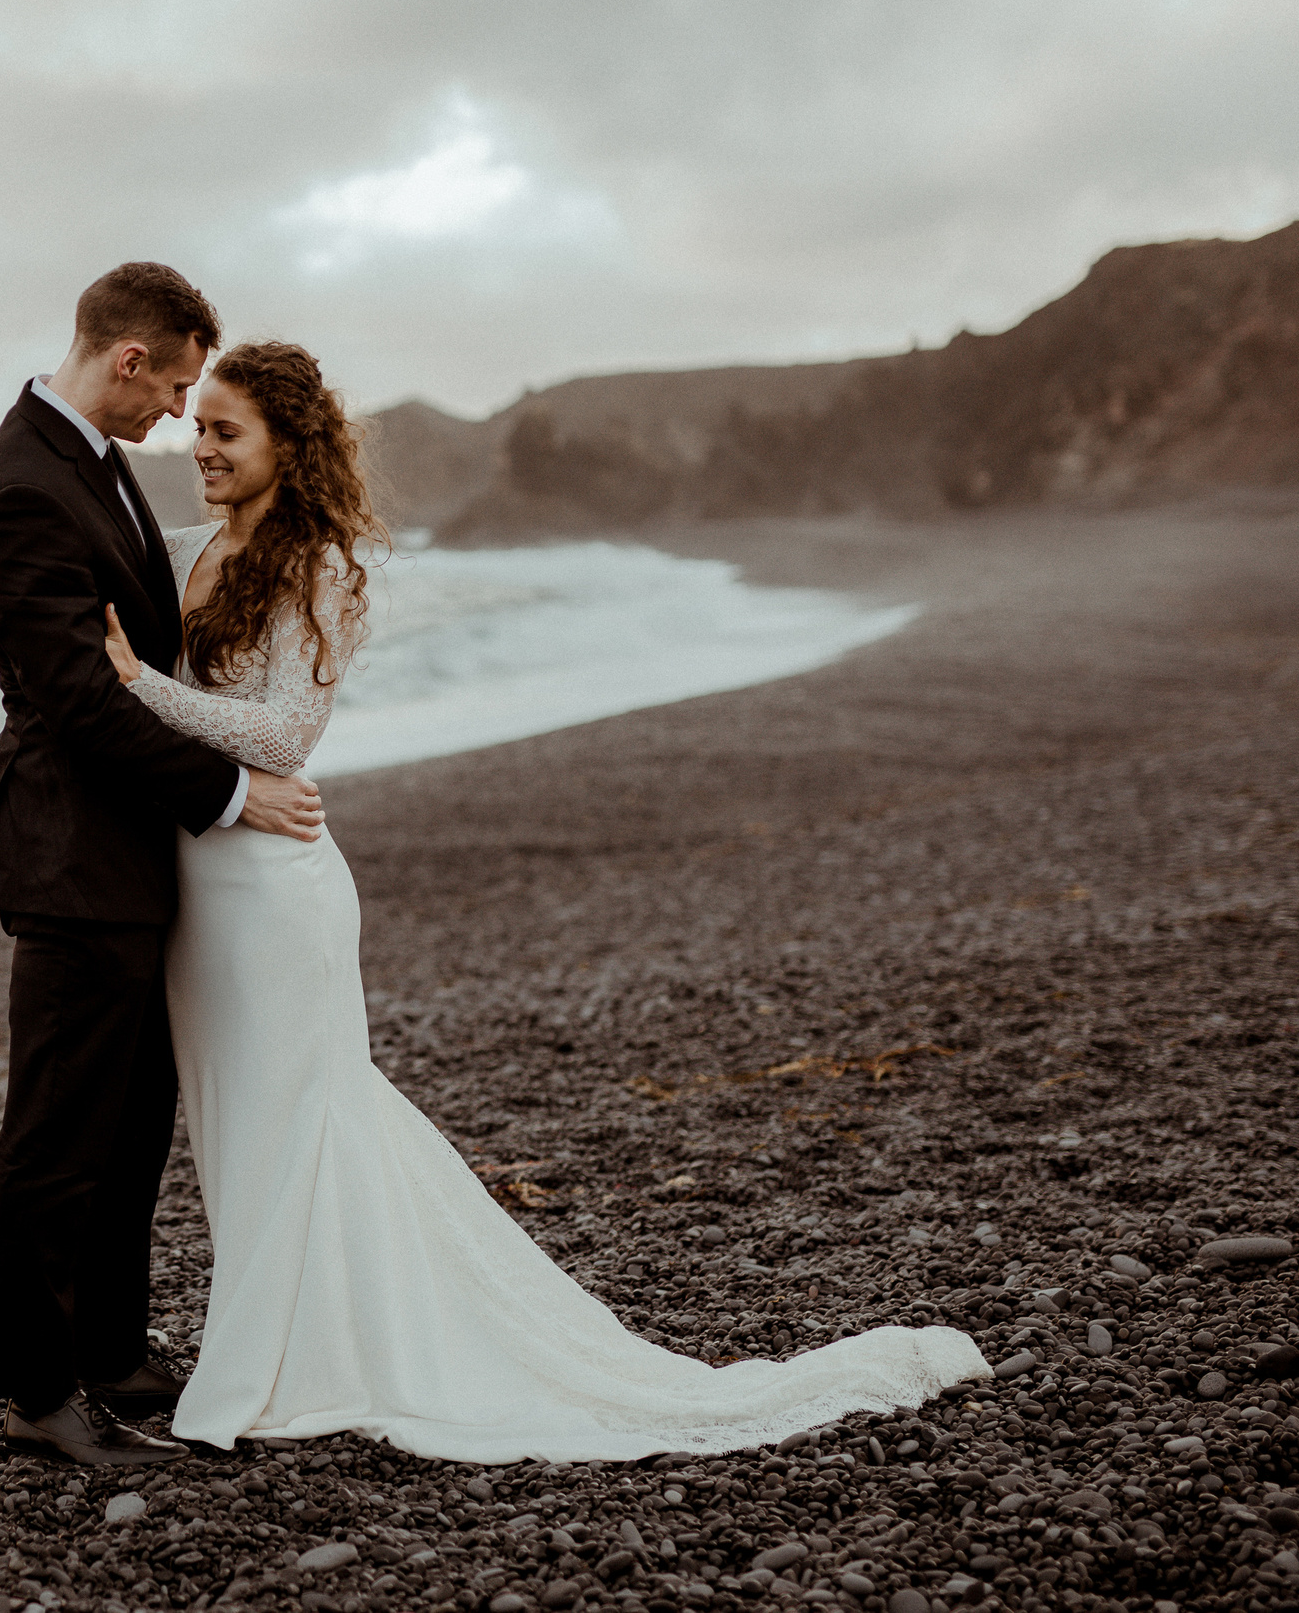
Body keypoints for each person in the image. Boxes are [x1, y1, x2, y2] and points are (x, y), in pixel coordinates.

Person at [100, 339, 992, 1462]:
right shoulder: (184, 553)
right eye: (199, 427)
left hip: (276, 892)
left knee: (298, 1117)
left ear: (287, 443)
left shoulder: (318, 563)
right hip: (202, 889)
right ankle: (286, 1344)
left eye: (226, 430)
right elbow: (81, 622)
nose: (202, 448)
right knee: (242, 1128)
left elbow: (287, 734)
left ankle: (290, 1363)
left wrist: (141, 686)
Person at [0, 264, 325, 1467]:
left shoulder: (97, 467)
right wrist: (232, 794)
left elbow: (138, 650)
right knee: (59, 1137)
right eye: (172, 385)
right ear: (127, 358)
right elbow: (75, 700)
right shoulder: (18, 486)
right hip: (70, 856)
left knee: (131, 1126)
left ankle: (114, 1350)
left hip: (139, 853)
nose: (177, 415)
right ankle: (37, 1392)